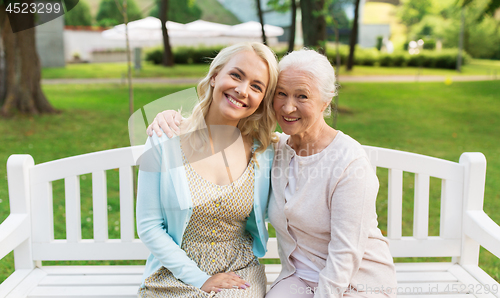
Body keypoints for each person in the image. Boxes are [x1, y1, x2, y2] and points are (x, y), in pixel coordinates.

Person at [147, 49, 397, 298]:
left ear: (326, 100)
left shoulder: (349, 162)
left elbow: (346, 253)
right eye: (281, 94)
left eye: (302, 96)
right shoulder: (274, 149)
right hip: (299, 279)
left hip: (356, 280)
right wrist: (169, 118)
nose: (288, 107)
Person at [136, 42, 279, 297]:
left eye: (256, 87)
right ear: (214, 76)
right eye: (236, 75)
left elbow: (310, 137)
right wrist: (200, 279)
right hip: (173, 272)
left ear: (261, 100)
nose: (242, 90)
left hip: (239, 271)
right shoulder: (163, 139)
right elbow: (149, 226)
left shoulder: (264, 150)